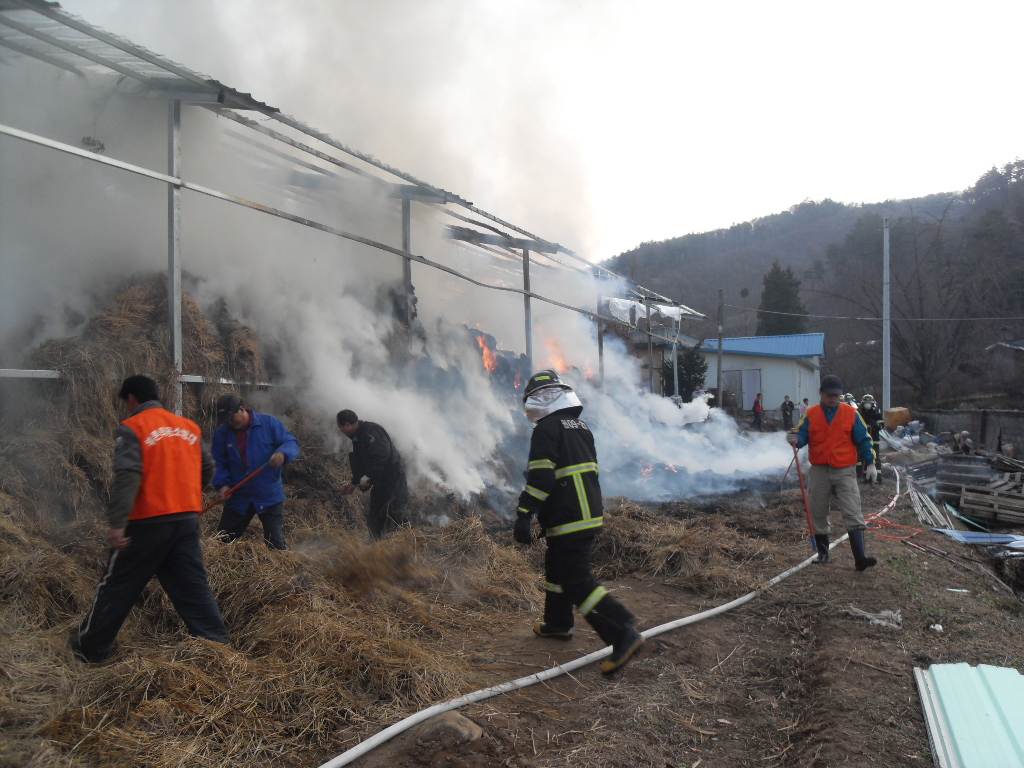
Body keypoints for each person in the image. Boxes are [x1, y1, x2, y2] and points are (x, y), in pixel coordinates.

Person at [72, 375, 229, 663]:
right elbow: (208, 467)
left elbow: (127, 477)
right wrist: (188, 495)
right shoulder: (189, 427)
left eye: (126, 402)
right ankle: (217, 645)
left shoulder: (133, 428)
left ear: (132, 399)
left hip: (146, 523)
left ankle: (90, 648)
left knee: (117, 586)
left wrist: (118, 523)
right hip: (185, 521)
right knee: (192, 586)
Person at [514, 370, 644, 675]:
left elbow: (542, 477)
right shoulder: (579, 426)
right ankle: (558, 623)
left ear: (542, 399)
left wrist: (524, 514)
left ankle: (623, 632)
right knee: (556, 568)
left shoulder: (546, 428)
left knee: (576, 579)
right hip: (584, 512)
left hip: (568, 515)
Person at [787, 374, 878, 571]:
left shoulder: (851, 413)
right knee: (817, 509)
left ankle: (860, 558)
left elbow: (864, 439)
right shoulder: (811, 414)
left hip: (845, 469)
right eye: (829, 395)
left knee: (852, 509)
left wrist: (870, 463)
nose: (833, 398)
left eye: (836, 395)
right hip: (819, 470)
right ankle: (823, 554)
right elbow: (801, 436)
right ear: (821, 393)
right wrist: (794, 439)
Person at [211, 394, 300, 550]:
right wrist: (222, 484)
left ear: (242, 409)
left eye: (232, 418)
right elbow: (218, 462)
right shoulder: (223, 434)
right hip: (239, 494)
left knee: (275, 542)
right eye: (227, 420)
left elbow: (290, 442)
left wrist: (282, 454)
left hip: (268, 493)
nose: (230, 423)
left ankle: (280, 560)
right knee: (223, 541)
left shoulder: (269, 423)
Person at [337, 409, 410, 539]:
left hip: (393, 480)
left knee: (396, 514)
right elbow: (362, 464)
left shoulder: (371, 431)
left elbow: (381, 458)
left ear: (347, 425)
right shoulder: (357, 437)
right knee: (374, 518)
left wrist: (366, 479)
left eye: (340, 427)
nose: (340, 430)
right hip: (379, 482)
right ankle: (376, 545)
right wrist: (354, 484)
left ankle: (404, 544)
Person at [858, 394, 883, 483]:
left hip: (874, 439)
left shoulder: (876, 413)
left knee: (875, 457)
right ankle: (866, 477)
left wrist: (875, 425)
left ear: (872, 403)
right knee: (863, 457)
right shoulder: (860, 413)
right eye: (866, 402)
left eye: (869, 402)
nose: (867, 404)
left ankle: (878, 477)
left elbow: (881, 425)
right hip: (863, 439)